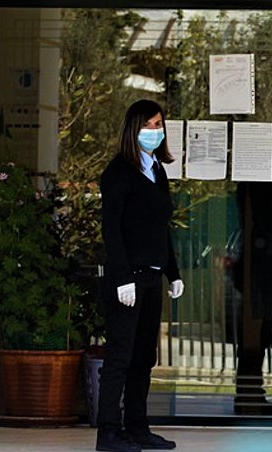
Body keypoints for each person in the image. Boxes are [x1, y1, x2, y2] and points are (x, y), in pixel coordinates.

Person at [96, 99, 184, 452]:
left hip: (152, 277)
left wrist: (173, 273)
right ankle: (108, 432)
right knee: (120, 356)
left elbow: (161, 228)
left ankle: (137, 427)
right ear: (133, 129)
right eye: (148, 125)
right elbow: (112, 230)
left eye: (158, 125)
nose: (154, 131)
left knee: (144, 357)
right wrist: (122, 278)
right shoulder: (118, 172)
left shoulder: (157, 171)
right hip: (128, 278)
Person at [231, 132, 272, 416]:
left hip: (261, 269)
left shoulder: (263, 186)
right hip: (257, 270)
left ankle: (251, 394)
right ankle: (249, 396)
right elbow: (263, 232)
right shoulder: (256, 186)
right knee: (255, 333)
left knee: (260, 333)